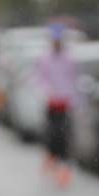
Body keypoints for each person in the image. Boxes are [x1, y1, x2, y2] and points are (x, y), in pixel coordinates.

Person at [34, 23, 78, 187]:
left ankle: (64, 168)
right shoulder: (45, 58)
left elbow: (73, 80)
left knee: (65, 137)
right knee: (52, 135)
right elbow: (40, 79)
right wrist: (48, 93)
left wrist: (72, 99)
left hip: (65, 105)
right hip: (52, 104)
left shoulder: (69, 59)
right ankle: (52, 159)